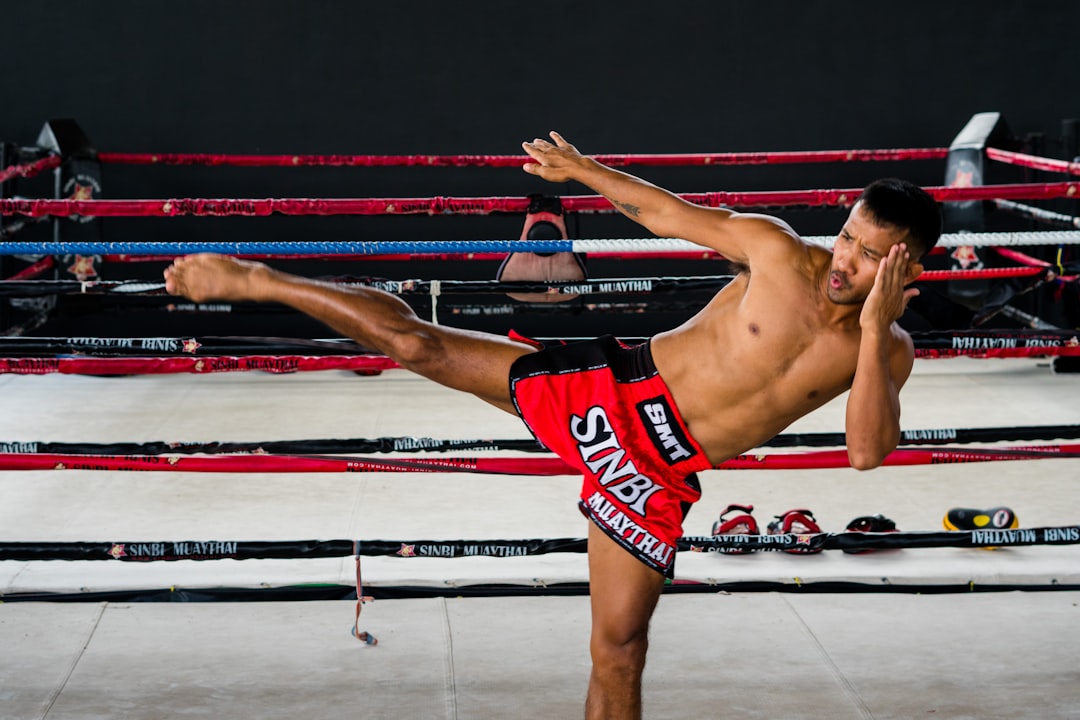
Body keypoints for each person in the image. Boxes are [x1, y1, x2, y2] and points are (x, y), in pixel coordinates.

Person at [163, 131, 941, 720]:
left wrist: (874, 328)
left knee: (620, 651)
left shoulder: (885, 351)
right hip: (610, 391)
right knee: (416, 344)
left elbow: (867, 452)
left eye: (871, 257)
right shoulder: (777, 252)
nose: (845, 261)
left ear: (906, 267)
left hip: (658, 471)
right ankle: (259, 278)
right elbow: (668, 214)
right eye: (847, 236)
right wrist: (585, 174)